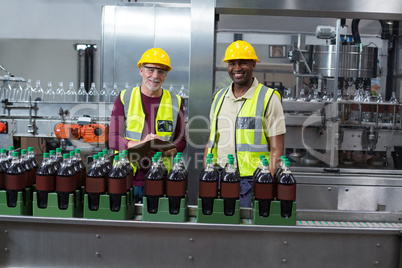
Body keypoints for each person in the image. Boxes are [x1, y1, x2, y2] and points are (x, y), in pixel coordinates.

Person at [204, 40, 286, 207]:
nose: (237, 68)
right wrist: (208, 173)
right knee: (219, 227)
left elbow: (277, 148)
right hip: (219, 177)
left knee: (246, 230)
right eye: (232, 63)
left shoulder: (269, 98)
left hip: (252, 181)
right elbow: (211, 141)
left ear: (253, 65)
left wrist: (265, 182)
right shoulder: (219, 98)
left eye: (243, 63)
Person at [109, 48, 186, 203]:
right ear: (141, 71)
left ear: (166, 75)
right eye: (150, 70)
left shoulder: (176, 101)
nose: (155, 76)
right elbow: (112, 139)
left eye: (161, 72)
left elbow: (182, 140)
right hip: (128, 178)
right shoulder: (125, 97)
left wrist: (166, 150)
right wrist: (140, 145)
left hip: (163, 179)